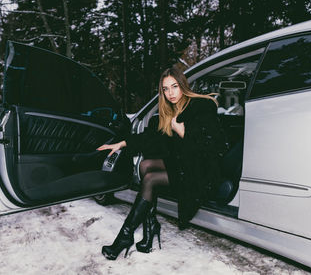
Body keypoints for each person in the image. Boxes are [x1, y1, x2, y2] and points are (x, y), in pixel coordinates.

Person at [97, 66, 227, 260]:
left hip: (201, 170)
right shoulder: (170, 111)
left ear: (183, 85)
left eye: (174, 86)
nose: (170, 93)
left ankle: (125, 237)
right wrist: (123, 143)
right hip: (184, 164)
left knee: (150, 179)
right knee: (145, 165)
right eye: (166, 89)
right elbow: (151, 138)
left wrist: (183, 132)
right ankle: (150, 229)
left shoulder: (202, 107)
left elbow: (215, 147)